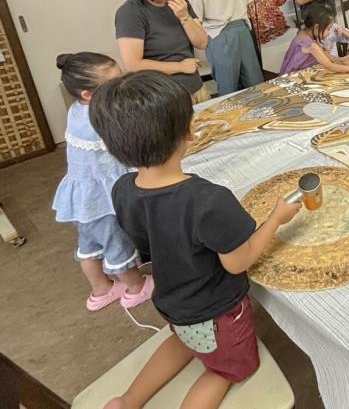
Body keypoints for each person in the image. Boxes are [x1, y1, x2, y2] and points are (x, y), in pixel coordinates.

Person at [90, 71, 300, 409]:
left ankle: (127, 401)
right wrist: (276, 218)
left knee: (184, 339)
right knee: (229, 369)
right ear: (189, 131)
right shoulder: (209, 200)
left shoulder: (123, 189)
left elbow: (146, 241)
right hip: (216, 313)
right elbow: (239, 262)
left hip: (172, 301)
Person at [52, 52, 154, 312]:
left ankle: (101, 290)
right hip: (103, 200)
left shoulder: (76, 110)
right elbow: (124, 150)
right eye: (114, 83)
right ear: (88, 94)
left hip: (81, 199)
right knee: (116, 242)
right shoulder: (99, 120)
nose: (122, 85)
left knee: (89, 244)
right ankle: (135, 287)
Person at [115, 0, 210, 104]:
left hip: (195, 89)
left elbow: (202, 43)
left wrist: (185, 17)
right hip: (163, 99)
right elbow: (133, 64)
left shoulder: (181, 4)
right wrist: (180, 67)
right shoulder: (130, 13)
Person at [278, 2, 349, 75]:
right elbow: (330, 66)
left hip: (286, 73)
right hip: (290, 78)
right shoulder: (311, 45)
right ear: (317, 27)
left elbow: (323, 53)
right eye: (328, 29)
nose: (329, 33)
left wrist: (338, 60)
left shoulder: (303, 33)